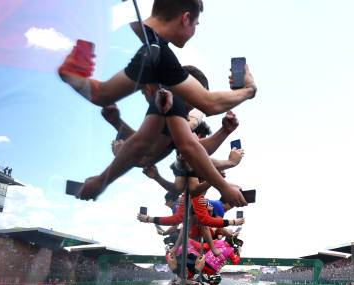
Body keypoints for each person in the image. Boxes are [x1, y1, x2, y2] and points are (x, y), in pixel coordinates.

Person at [59, 0, 254, 206]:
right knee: (103, 94)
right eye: (196, 25)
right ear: (185, 18)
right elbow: (208, 107)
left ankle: (72, 71)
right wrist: (248, 90)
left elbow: (147, 143)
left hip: (143, 46)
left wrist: (102, 178)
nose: (194, 31)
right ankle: (72, 68)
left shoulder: (154, 50)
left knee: (103, 94)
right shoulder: (166, 71)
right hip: (149, 48)